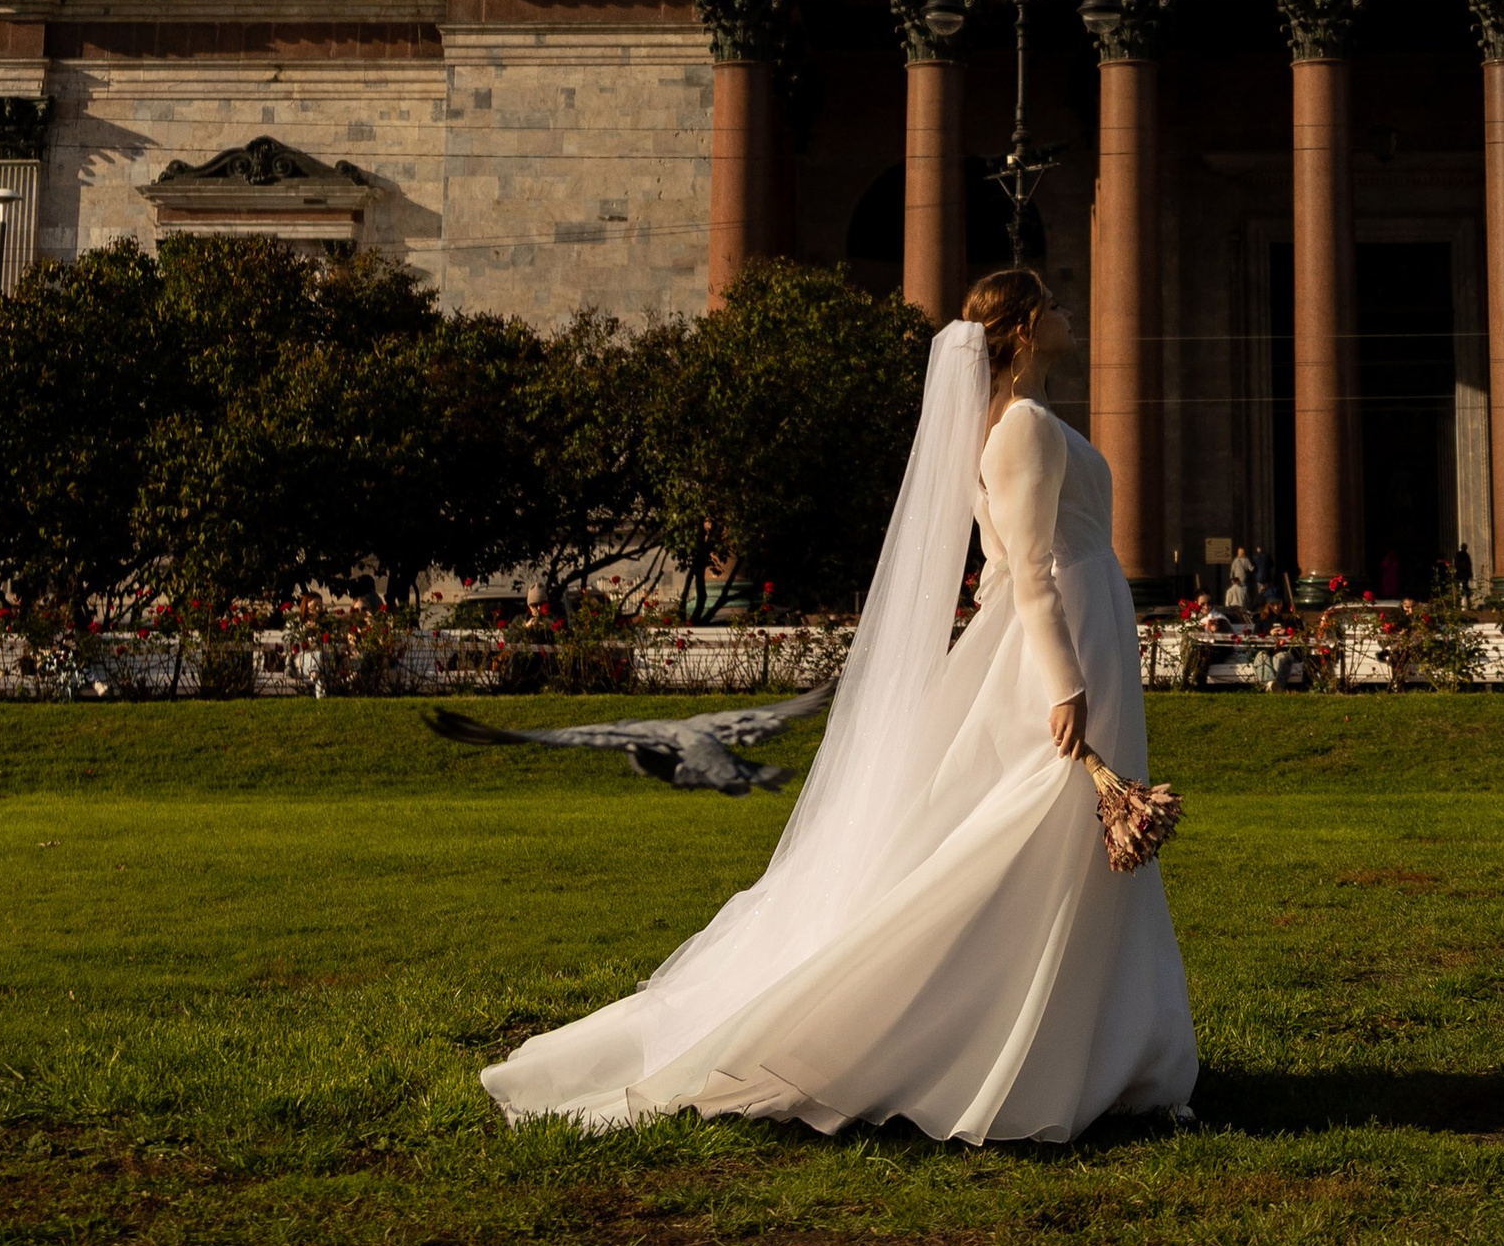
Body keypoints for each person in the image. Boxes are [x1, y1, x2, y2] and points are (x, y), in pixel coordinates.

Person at [482, 271, 1197, 1145]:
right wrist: (1064, 682)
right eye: (1051, 302)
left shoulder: (1024, 422)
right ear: (1021, 326)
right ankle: (998, 1045)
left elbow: (1012, 567)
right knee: (1031, 836)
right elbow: (1030, 572)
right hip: (1063, 652)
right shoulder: (1021, 427)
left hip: (1087, 637)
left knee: (1072, 847)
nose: (1068, 311)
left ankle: (1100, 1047)